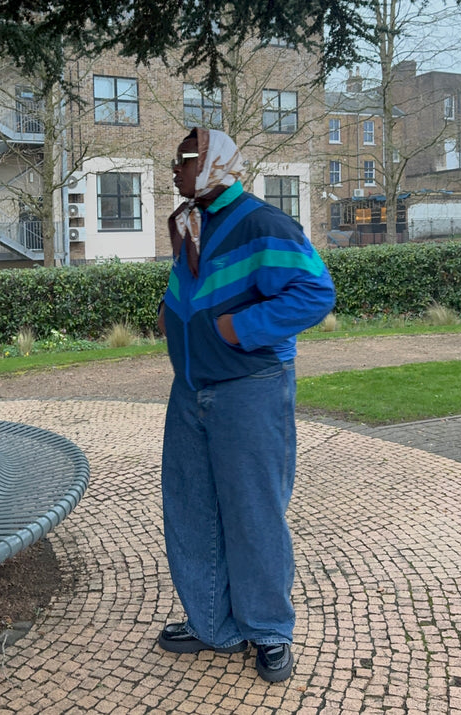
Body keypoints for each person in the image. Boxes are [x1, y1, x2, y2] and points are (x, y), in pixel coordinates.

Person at [157, 127, 335, 683]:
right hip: (190, 390)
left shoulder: (263, 223)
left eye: (184, 161)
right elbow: (197, 285)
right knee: (191, 508)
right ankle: (213, 623)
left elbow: (315, 292)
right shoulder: (193, 220)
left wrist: (238, 329)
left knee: (253, 514)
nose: (176, 170)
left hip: (249, 388)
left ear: (214, 163)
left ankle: (268, 630)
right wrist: (169, 315)